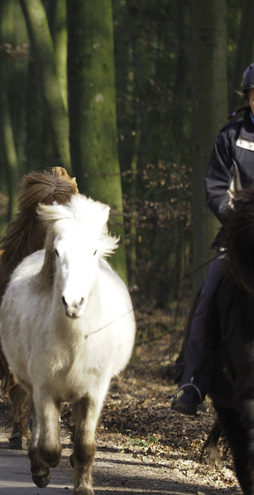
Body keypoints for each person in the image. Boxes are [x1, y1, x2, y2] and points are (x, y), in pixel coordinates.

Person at [171, 62, 254, 415]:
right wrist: (240, 223)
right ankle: (193, 381)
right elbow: (216, 188)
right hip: (239, 238)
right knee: (209, 294)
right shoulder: (230, 138)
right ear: (247, 97)